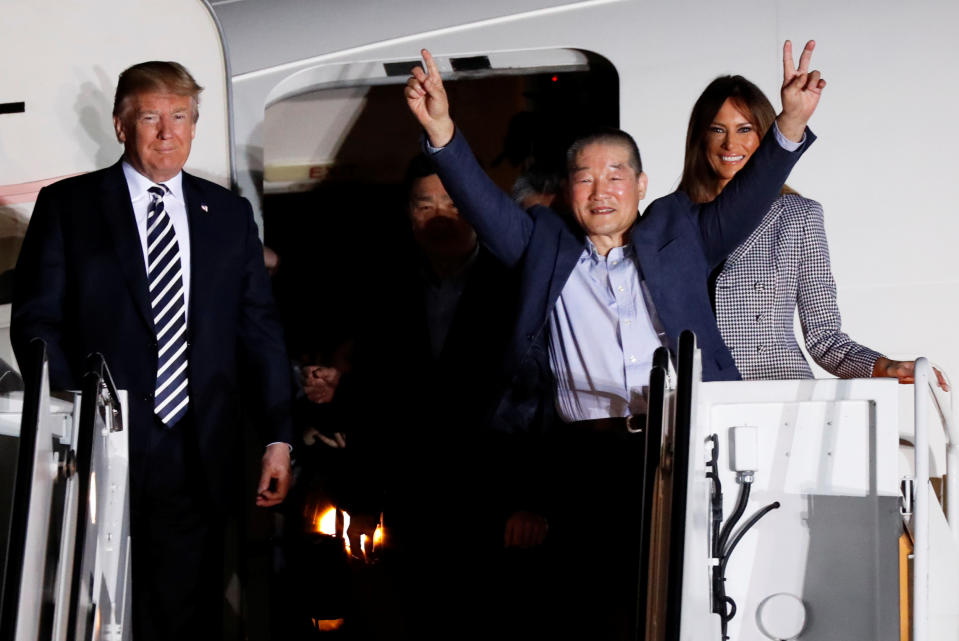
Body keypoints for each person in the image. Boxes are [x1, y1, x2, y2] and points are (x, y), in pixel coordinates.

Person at [405, 42, 822, 639]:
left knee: (684, 603)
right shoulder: (541, 245)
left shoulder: (680, 231)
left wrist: (790, 124)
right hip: (580, 459)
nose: (601, 190)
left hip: (673, 449)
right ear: (569, 191)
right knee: (587, 608)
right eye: (585, 177)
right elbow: (483, 203)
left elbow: (748, 197)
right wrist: (442, 130)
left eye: (616, 175)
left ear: (640, 183)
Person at [11, 61, 293, 640]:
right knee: (101, 611)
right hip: (102, 453)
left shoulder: (229, 217)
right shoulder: (69, 207)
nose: (168, 132)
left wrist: (277, 437)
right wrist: (79, 423)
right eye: (150, 117)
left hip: (200, 449)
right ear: (121, 125)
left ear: (195, 125)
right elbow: (37, 322)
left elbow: (259, 331)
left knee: (191, 615)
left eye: (181, 117)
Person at [678, 75, 926, 383]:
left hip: (779, 395)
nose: (730, 143)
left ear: (765, 137)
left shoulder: (798, 216)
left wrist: (885, 366)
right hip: (700, 398)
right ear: (700, 138)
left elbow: (824, 338)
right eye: (717, 129)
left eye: (745, 129)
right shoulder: (673, 221)